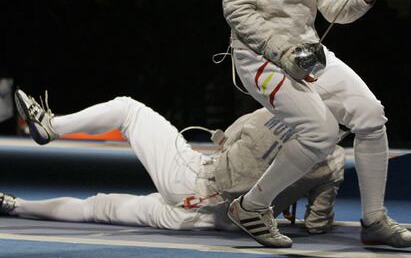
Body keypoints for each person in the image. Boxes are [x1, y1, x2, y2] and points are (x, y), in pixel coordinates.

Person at [221, 0, 411, 249]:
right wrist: (281, 50)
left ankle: (374, 220)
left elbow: (333, 9)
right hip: (258, 55)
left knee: (370, 115)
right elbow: (236, 11)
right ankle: (251, 208)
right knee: (321, 131)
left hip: (307, 48)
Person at [1, 89, 345, 243]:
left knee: (127, 110)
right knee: (101, 207)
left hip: (193, 181)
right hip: (214, 223)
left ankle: (51, 128)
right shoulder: (332, 161)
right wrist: (289, 198)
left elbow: (227, 143)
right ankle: (15, 204)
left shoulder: (270, 113)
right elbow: (317, 224)